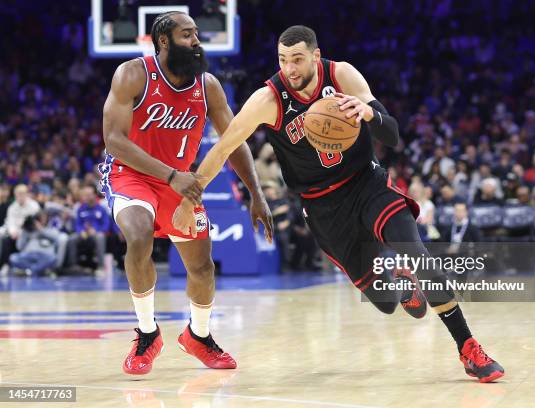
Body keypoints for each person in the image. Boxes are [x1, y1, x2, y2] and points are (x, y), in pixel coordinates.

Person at [173, 25, 504, 382]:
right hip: (323, 208)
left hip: (367, 184)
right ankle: (400, 284)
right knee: (386, 303)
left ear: (315, 56)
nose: (290, 68)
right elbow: (223, 148)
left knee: (418, 254)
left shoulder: (341, 74)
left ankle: (468, 348)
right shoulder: (268, 99)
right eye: (283, 60)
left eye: (298, 59)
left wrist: (368, 113)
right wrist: (192, 197)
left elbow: (391, 134)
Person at [100, 11, 272, 375]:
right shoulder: (132, 74)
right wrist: (171, 174)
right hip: (131, 174)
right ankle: (148, 333)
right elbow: (114, 140)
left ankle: (198, 335)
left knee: (202, 267)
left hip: (179, 185)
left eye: (196, 34)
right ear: (164, 41)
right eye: (187, 35)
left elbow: (234, 139)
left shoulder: (208, 85)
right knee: (139, 234)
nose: (196, 41)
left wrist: (255, 192)